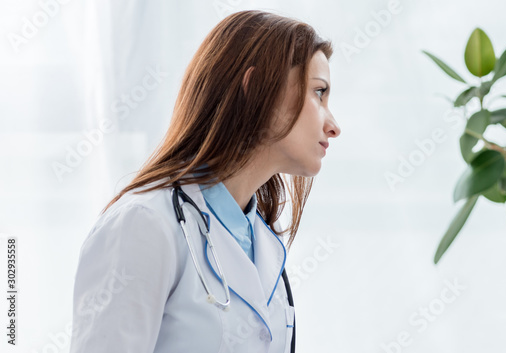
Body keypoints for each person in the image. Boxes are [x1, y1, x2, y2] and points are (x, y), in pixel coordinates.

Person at [71, 10, 340, 353]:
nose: (333, 125)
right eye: (319, 93)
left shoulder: (263, 242)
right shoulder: (145, 225)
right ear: (256, 88)